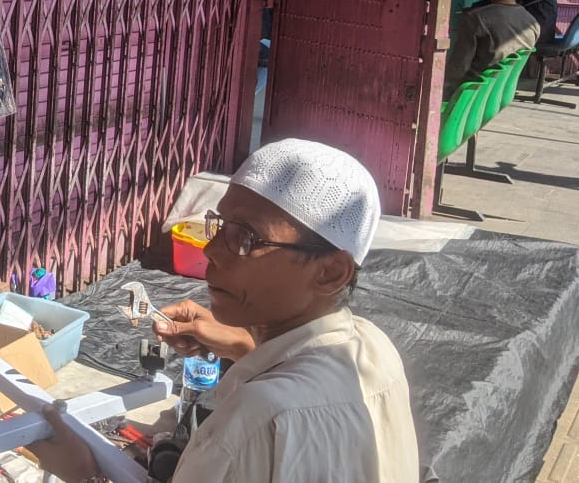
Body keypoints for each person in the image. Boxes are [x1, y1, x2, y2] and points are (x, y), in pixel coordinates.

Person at [30, 139, 419, 482]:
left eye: (246, 238)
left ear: (331, 272)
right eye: (219, 226)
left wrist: (87, 475)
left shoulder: (250, 423)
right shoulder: (373, 348)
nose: (211, 251)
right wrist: (244, 345)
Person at [444, 0, 540, 98]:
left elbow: (458, 68)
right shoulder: (532, 23)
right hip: (499, 94)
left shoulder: (475, 19)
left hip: (468, 95)